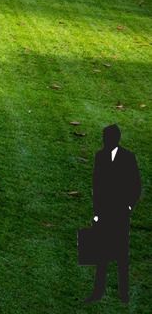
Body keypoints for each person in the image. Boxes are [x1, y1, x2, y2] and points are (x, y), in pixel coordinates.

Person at [88, 124, 141, 303]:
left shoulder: (127, 158)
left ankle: (123, 294)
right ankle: (98, 292)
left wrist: (128, 207)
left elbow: (136, 185)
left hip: (119, 213)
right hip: (104, 212)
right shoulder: (100, 156)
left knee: (121, 256)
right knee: (101, 254)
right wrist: (97, 212)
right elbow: (96, 185)